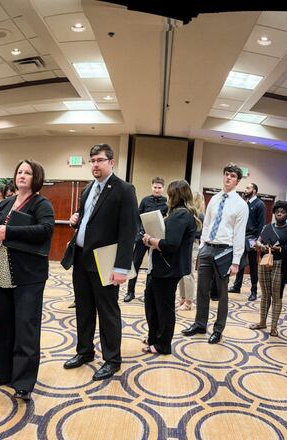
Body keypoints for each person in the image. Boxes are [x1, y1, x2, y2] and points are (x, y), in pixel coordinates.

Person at [62, 143, 139, 380]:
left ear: (111, 162)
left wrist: (121, 267)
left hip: (106, 261)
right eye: (92, 160)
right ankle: (84, 351)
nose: (95, 164)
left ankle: (112, 359)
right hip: (81, 258)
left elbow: (128, 231)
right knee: (83, 309)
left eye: (100, 160)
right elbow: (88, 219)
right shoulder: (88, 189)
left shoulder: (124, 189)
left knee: (107, 312)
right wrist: (76, 220)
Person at [0, 160, 54, 400]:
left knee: (26, 328)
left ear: (37, 177)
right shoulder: (6, 202)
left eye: (27, 172)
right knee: (2, 325)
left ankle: (23, 382)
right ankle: (2, 373)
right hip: (2, 272)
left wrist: (9, 232)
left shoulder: (41, 203)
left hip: (29, 275)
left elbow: (45, 230)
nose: (22, 175)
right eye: (19, 172)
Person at [181, 164, 249, 345]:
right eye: (226, 174)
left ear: (238, 181)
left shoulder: (241, 205)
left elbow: (239, 234)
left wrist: (236, 261)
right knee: (202, 290)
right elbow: (207, 225)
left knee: (222, 293)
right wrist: (202, 247)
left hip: (225, 251)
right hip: (207, 249)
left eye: (232, 176)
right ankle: (200, 324)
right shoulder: (214, 199)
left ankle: (218, 330)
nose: (228, 178)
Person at [141, 180, 199, 354]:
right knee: (152, 303)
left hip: (168, 269)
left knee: (164, 308)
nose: (167, 196)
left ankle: (163, 344)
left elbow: (171, 244)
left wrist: (150, 240)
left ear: (175, 195)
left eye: (169, 193)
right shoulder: (177, 213)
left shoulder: (181, 214)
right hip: (163, 267)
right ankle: (154, 337)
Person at [249, 200, 287, 337]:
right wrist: (261, 245)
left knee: (276, 296)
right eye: (277, 211)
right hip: (265, 262)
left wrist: (280, 248)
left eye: (283, 212)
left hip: (280, 264)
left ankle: (274, 327)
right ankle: (262, 322)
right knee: (265, 294)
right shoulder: (267, 227)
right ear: (274, 212)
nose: (279, 214)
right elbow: (258, 241)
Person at [125, 177, 168, 302]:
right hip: (142, 237)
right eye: (155, 187)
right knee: (135, 264)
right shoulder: (145, 200)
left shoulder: (167, 202)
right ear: (151, 187)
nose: (157, 190)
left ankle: (149, 293)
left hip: (156, 239)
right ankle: (130, 292)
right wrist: (139, 232)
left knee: (153, 266)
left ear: (163, 188)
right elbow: (138, 218)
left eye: (159, 188)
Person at [230, 182, 266, 301]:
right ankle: (237, 286)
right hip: (241, 237)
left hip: (252, 239)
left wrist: (258, 241)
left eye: (248, 188)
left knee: (253, 265)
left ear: (254, 191)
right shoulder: (245, 203)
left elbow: (261, 225)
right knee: (240, 262)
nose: (245, 190)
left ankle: (254, 291)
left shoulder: (260, 204)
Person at [176, 191, 205, 311]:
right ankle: (183, 298)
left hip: (193, 245)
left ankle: (189, 301)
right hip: (184, 245)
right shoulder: (189, 213)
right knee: (181, 273)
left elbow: (199, 234)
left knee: (188, 273)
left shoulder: (200, 216)